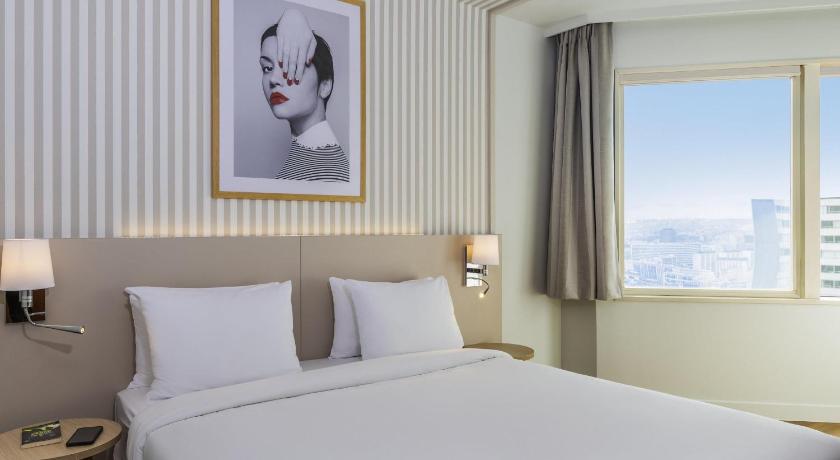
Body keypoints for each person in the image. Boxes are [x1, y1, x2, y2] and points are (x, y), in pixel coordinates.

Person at [259, 9, 349, 182]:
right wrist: (292, 14)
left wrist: (293, 14)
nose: (273, 79)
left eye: (290, 64)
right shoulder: (305, 165)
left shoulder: (327, 172)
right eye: (267, 68)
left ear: (325, 86)